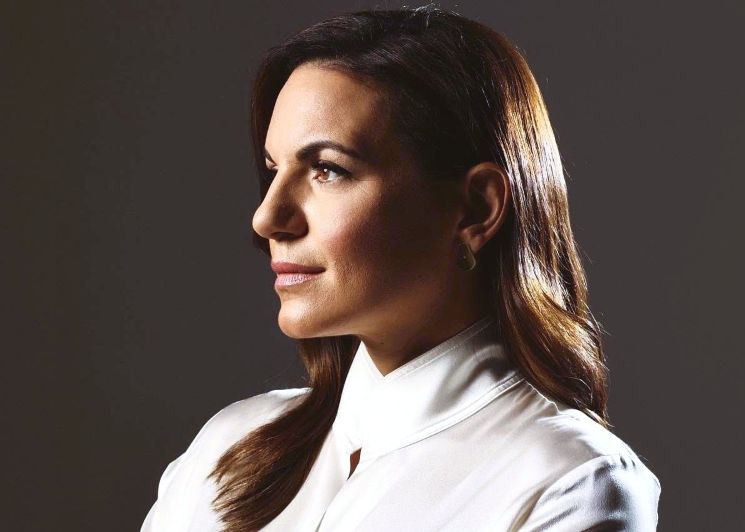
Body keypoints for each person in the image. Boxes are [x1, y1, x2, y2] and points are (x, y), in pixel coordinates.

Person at [141, 5, 661, 531]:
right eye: (274, 169)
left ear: (475, 209)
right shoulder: (225, 449)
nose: (267, 218)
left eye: (328, 169)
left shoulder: (571, 482)